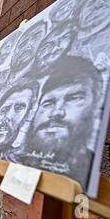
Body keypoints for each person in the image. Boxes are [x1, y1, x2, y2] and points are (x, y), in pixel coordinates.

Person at [21, 56, 103, 188]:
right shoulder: (13, 160)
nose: (56, 112)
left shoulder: (88, 169)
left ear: (94, 106)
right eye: (48, 103)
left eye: (74, 98)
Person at [0, 81, 39, 160]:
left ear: (26, 117)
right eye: (5, 109)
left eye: (18, 109)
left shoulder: (17, 159)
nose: (8, 116)